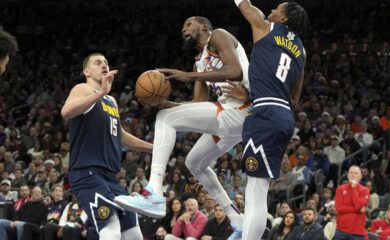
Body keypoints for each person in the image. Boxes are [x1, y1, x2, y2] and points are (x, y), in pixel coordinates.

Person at [115, 16, 250, 233]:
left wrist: (187, 76)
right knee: (194, 162)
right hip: (230, 118)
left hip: (243, 109)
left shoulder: (218, 35)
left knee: (166, 119)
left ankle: (154, 193)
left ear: (204, 26)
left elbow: (235, 71)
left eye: (188, 24)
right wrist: (162, 102)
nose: (183, 29)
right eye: (182, 27)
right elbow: (198, 104)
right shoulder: (199, 61)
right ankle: (237, 220)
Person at [229, 1, 307, 239]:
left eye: (277, 8)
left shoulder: (266, 27)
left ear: (283, 19)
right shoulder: (302, 50)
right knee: (256, 187)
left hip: (265, 113)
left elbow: (244, 4)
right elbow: (295, 97)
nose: (272, 9)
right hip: (284, 115)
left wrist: (260, 98)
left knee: (255, 189)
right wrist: (257, 94)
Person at [61, 52, 153, 240]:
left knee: (133, 233)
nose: (104, 65)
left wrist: (153, 148)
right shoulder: (83, 89)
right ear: (86, 71)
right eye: (97, 62)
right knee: (111, 228)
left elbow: (120, 135)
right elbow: (66, 111)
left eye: (106, 62)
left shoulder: (110, 101)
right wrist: (101, 92)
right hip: (87, 172)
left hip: (110, 177)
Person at [335, 165, 370, 239]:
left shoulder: (365, 190)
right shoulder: (340, 189)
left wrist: (353, 188)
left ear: (360, 176)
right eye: (351, 173)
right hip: (341, 230)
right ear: (347, 175)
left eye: (356, 173)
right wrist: (358, 210)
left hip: (357, 232)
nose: (353, 175)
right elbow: (339, 208)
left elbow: (358, 205)